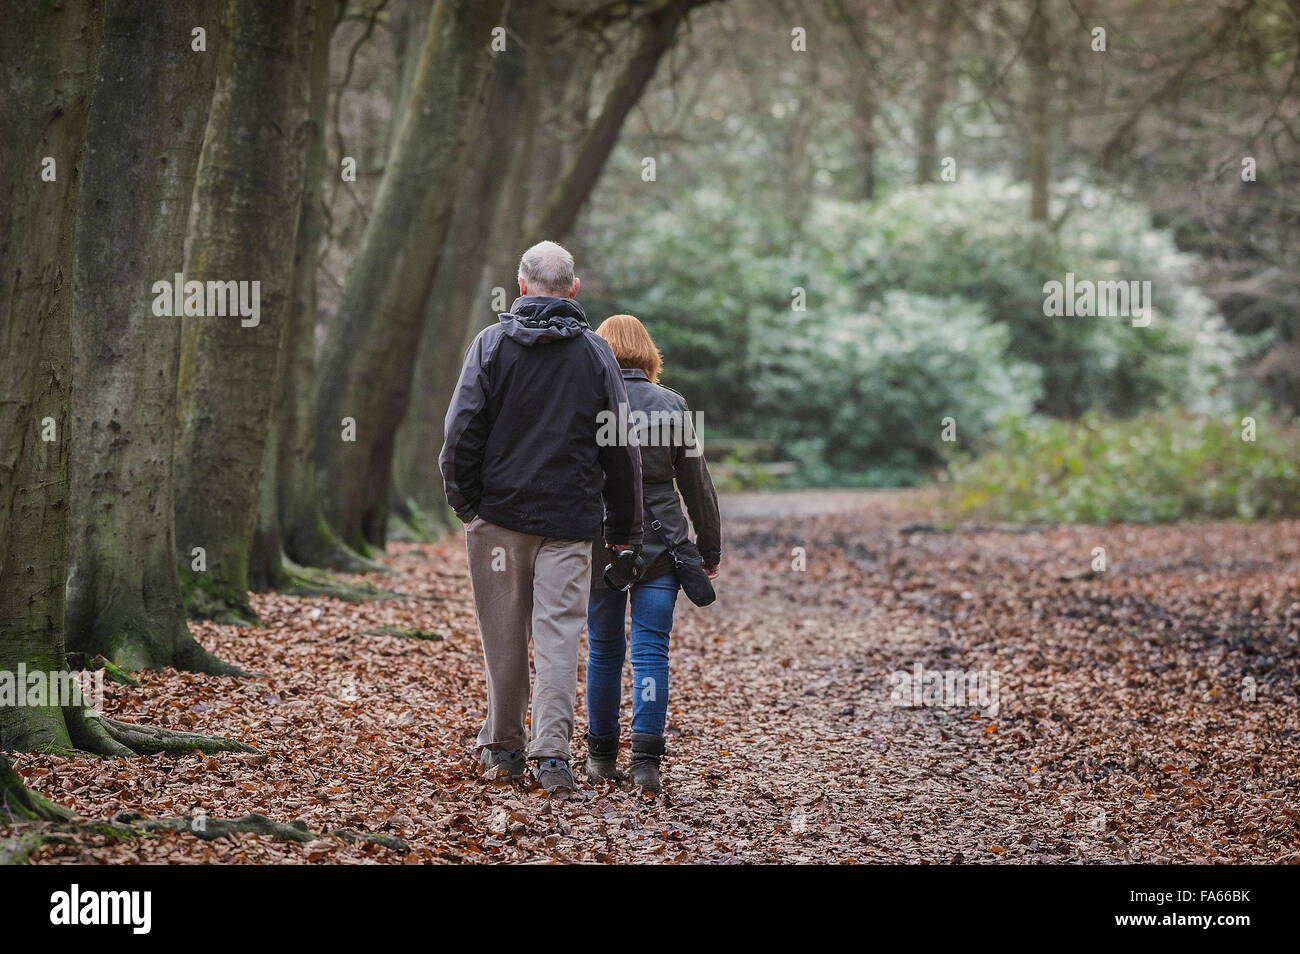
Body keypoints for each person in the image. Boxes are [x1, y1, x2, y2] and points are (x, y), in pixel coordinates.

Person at [439, 242, 642, 797]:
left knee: (501, 636)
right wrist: (624, 529)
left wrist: (467, 503)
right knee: (559, 639)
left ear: (521, 284)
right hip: (570, 522)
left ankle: (504, 748)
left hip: (499, 519)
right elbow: (620, 446)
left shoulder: (490, 346)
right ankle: (552, 756)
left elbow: (461, 432)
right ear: (573, 289)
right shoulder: (596, 354)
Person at [584, 314, 721, 793]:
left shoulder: (590, 402)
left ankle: (600, 757)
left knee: (602, 650)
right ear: (648, 354)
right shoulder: (672, 406)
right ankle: (646, 764)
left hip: (601, 544)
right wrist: (709, 546)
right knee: (650, 652)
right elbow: (697, 485)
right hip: (661, 546)